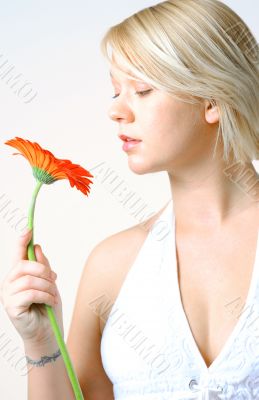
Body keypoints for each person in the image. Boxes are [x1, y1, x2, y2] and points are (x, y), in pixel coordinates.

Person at [1, 0, 259, 398]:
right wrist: (40, 343)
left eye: (142, 89)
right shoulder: (112, 265)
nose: (115, 110)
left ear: (212, 100)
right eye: (115, 91)